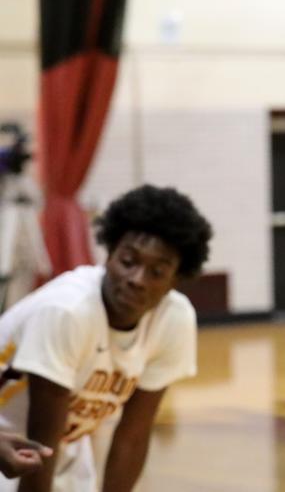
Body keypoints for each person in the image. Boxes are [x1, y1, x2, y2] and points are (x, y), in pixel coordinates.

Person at [0, 184, 212, 492]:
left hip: (63, 444)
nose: (137, 279)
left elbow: (133, 436)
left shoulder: (174, 319)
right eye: (129, 261)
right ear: (109, 253)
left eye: (156, 272)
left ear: (174, 281)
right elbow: (39, 444)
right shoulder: (68, 311)